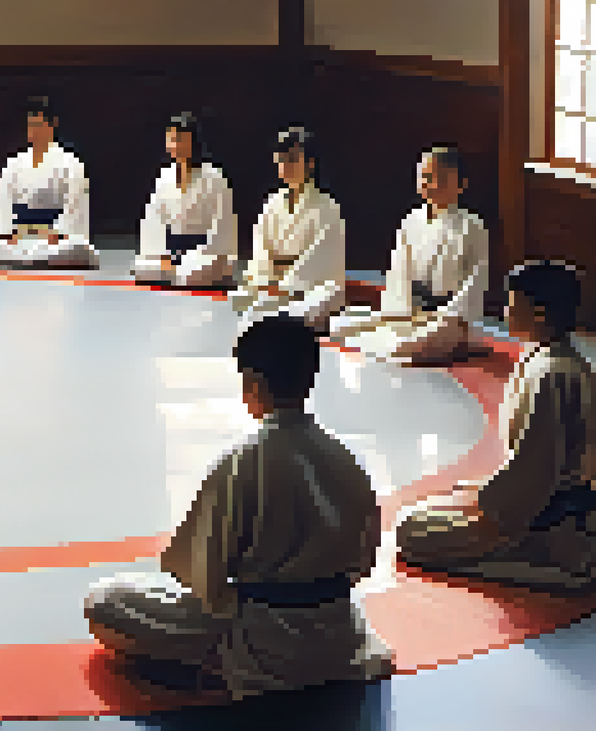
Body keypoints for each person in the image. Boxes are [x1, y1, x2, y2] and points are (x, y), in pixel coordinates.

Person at [83, 314, 391, 700]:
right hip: (337, 634)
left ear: (255, 385)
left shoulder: (244, 461)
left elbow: (201, 576)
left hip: (261, 636)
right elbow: (362, 566)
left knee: (105, 601)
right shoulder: (349, 460)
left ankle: (223, 663)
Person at [397, 261, 596, 590]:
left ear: (540, 314)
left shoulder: (552, 373)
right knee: (427, 510)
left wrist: (487, 504)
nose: (504, 312)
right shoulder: (552, 360)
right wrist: (481, 491)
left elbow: (535, 469)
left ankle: (555, 558)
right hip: (534, 499)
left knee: (412, 533)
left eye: (512, 305)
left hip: (545, 516)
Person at [330, 146, 490, 363]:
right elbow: (399, 273)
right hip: (410, 311)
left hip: (448, 318)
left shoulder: (472, 227)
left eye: (440, 178)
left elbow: (474, 284)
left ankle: (458, 343)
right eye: (425, 177)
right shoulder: (411, 220)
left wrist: (444, 316)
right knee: (342, 325)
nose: (430, 184)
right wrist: (403, 311)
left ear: (461, 184)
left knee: (404, 346)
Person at [228, 127, 347, 334]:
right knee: (240, 300)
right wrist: (267, 280)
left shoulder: (327, 207)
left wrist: (286, 285)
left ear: (310, 164)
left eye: (292, 159)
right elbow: (261, 247)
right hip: (273, 282)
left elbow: (321, 261)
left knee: (306, 306)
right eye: (282, 160)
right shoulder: (272, 203)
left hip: (311, 288)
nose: (285, 166)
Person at [0, 97, 100, 269]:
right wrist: (8, 232)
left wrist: (57, 233)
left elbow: (75, 204)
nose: (33, 131)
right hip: (19, 234)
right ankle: (25, 254)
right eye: (30, 126)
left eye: (38, 125)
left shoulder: (70, 163)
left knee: (72, 248)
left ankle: (39, 254)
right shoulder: (15, 163)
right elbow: (2, 203)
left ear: (51, 126)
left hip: (54, 235)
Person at [132, 112, 237, 287]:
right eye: (171, 140)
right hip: (173, 251)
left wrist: (203, 253)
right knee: (142, 268)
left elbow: (223, 225)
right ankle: (175, 271)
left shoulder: (214, 177)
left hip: (205, 254)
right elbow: (153, 220)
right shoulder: (164, 176)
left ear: (193, 142)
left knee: (192, 271)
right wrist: (162, 254)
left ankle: (181, 272)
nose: (175, 145)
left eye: (180, 140)